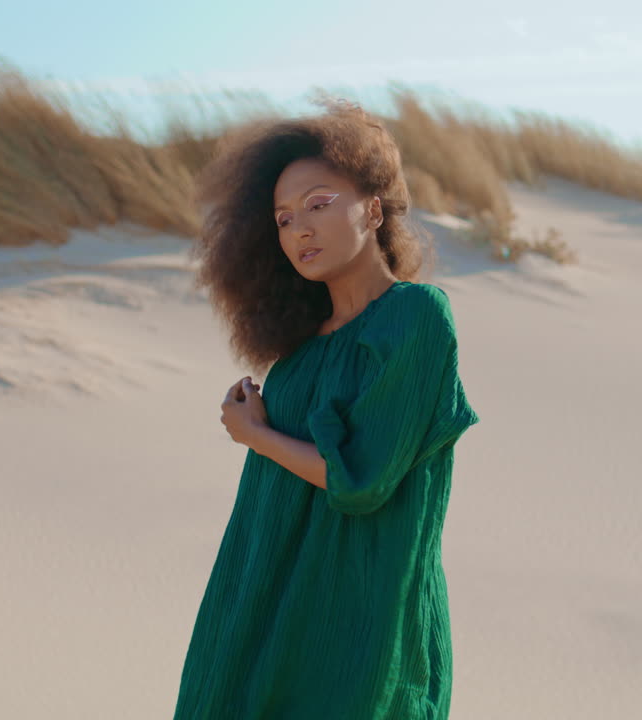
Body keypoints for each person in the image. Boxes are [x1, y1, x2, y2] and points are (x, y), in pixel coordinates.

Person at [173, 99, 480, 719]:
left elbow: (362, 480)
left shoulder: (416, 317)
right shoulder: (298, 355)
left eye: (318, 204)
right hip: (265, 609)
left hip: (359, 625)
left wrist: (255, 434)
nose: (299, 230)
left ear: (373, 207)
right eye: (283, 219)